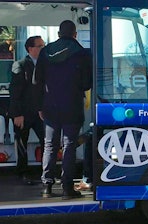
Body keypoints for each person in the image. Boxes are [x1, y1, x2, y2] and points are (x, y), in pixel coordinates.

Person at [35, 20, 92, 199]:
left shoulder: (45, 52)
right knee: (69, 145)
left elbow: (37, 81)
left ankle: (47, 186)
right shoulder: (82, 53)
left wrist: (39, 106)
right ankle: (67, 188)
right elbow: (86, 83)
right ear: (75, 34)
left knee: (50, 145)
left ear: (59, 34)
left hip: (50, 106)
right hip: (72, 106)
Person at [9, 36, 45, 185]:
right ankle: (23, 173)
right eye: (40, 46)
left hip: (40, 113)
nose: (43, 49)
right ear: (31, 48)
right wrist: (17, 114)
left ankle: (46, 172)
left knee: (47, 141)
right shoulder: (20, 65)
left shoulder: (45, 65)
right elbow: (15, 91)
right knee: (22, 143)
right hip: (23, 113)